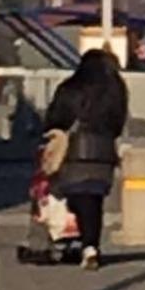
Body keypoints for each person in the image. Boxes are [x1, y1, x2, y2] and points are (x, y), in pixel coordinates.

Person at [43, 49, 127, 269]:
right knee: (93, 201)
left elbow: (55, 119)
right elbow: (118, 123)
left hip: (74, 153)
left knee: (73, 198)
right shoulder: (115, 90)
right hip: (103, 154)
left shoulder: (71, 87)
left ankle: (79, 242)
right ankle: (90, 246)